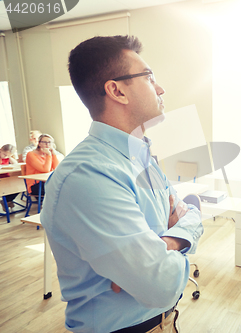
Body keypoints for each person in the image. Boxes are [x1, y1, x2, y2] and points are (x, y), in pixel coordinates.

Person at [40, 35, 203, 333]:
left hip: (166, 322)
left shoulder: (142, 157)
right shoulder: (87, 175)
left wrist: (167, 243)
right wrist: (180, 238)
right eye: (150, 78)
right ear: (116, 91)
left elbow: (188, 210)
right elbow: (160, 285)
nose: (161, 88)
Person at [1, 144, 20, 212]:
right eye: (4, 154)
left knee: (18, 187)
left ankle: (7, 201)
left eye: (8, 155)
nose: (5, 156)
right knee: (5, 189)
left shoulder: (8, 157)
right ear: (1, 150)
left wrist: (10, 157)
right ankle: (7, 201)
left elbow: (16, 164)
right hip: (0, 179)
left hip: (6, 178)